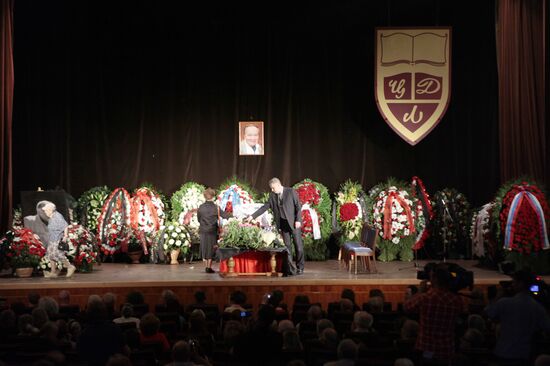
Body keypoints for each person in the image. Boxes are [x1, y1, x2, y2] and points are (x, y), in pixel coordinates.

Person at [485, 269, 550, 365]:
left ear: (521, 284)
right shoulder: (537, 307)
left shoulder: (504, 303)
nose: (512, 285)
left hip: (503, 352)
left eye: (514, 282)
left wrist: (497, 297)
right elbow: (547, 327)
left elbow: (488, 313)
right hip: (524, 355)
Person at [404, 265, 463, 363]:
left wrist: (420, 291)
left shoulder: (425, 298)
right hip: (446, 350)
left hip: (427, 349)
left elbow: (407, 307)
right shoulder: (456, 300)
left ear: (434, 280)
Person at [248, 177, 304, 276]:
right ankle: (290, 268)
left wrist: (298, 220)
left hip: (294, 223)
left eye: (273, 188)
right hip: (283, 223)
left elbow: (298, 207)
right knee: (287, 248)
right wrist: (252, 216)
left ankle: (300, 267)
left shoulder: (290, 192)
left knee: (298, 247)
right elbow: (265, 207)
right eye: (271, 189)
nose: (272, 190)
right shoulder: (272, 196)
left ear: (278, 185)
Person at [29, 201, 76, 278]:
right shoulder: (51, 217)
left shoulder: (57, 216)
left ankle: (70, 267)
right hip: (52, 239)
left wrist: (65, 236)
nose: (45, 212)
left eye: (46, 210)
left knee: (59, 255)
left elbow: (65, 226)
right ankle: (53, 272)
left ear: (51, 210)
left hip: (57, 239)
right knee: (51, 255)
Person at [197, 188, 231, 273]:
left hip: (203, 230)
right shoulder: (216, 207)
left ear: (204, 196)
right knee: (211, 249)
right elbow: (225, 215)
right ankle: (209, 267)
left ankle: (207, 266)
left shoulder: (201, 207)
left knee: (205, 248)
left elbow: (199, 219)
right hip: (212, 231)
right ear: (213, 196)